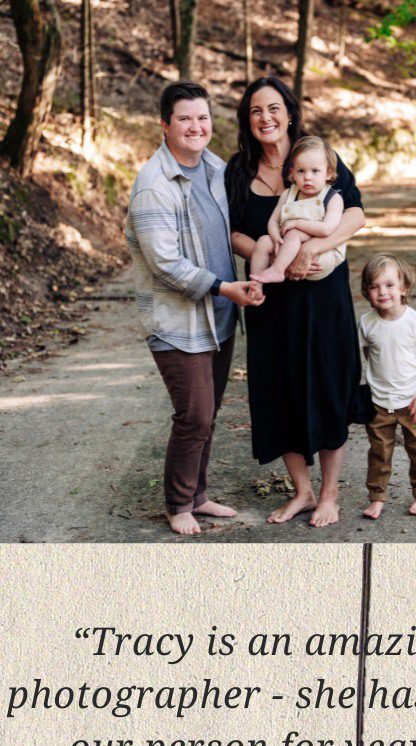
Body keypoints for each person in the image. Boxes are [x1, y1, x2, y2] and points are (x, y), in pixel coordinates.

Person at [226, 77, 367, 528]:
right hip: (271, 299)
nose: (265, 118)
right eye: (255, 111)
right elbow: (232, 231)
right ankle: (302, 492)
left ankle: (329, 495)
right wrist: (270, 259)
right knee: (278, 390)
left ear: (289, 112)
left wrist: (312, 250)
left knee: (327, 385)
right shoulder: (237, 170)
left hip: (323, 298)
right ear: (247, 121)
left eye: (273, 108)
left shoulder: (318, 156)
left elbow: (355, 213)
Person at [125, 82, 264, 537]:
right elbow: (165, 264)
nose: (195, 126)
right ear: (165, 125)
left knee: (210, 410)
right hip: (177, 321)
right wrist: (225, 288)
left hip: (217, 316)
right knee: (195, 414)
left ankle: (199, 495)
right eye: (185, 118)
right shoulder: (153, 185)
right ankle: (178, 503)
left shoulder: (215, 168)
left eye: (202, 117)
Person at [358, 254, 416, 521]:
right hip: (380, 403)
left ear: (404, 288)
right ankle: (377, 497)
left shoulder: (415, 322)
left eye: (390, 285)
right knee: (379, 454)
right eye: (375, 286)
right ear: (367, 291)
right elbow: (364, 356)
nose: (382, 291)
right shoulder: (367, 323)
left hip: (414, 403)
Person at [249, 135, 345, 284]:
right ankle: (255, 284)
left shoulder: (332, 198)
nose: (307, 177)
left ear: (329, 173)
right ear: (292, 173)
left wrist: (296, 223)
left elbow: (327, 229)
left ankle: (277, 270)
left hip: (322, 254)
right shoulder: (289, 194)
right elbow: (274, 220)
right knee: (263, 241)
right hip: (289, 246)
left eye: (315, 171)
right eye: (301, 171)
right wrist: (275, 238)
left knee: (294, 233)